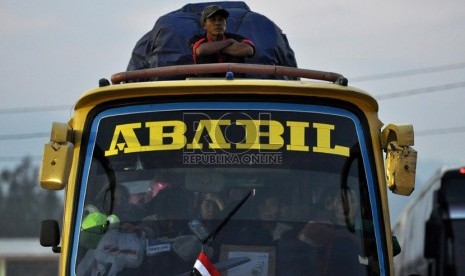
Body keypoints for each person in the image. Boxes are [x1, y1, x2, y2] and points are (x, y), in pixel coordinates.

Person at [298, 186, 367, 276]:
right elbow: (303, 238)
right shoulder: (321, 226)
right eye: (341, 201)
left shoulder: (365, 231)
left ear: (358, 206)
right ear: (332, 205)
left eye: (352, 201)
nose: (347, 206)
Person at [190, 5, 255, 67]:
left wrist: (212, 48)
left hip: (234, 78)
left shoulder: (236, 37)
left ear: (225, 23)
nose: (218, 23)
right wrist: (229, 42)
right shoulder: (197, 38)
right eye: (213, 20)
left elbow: (249, 50)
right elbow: (200, 50)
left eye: (221, 19)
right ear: (204, 25)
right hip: (207, 78)